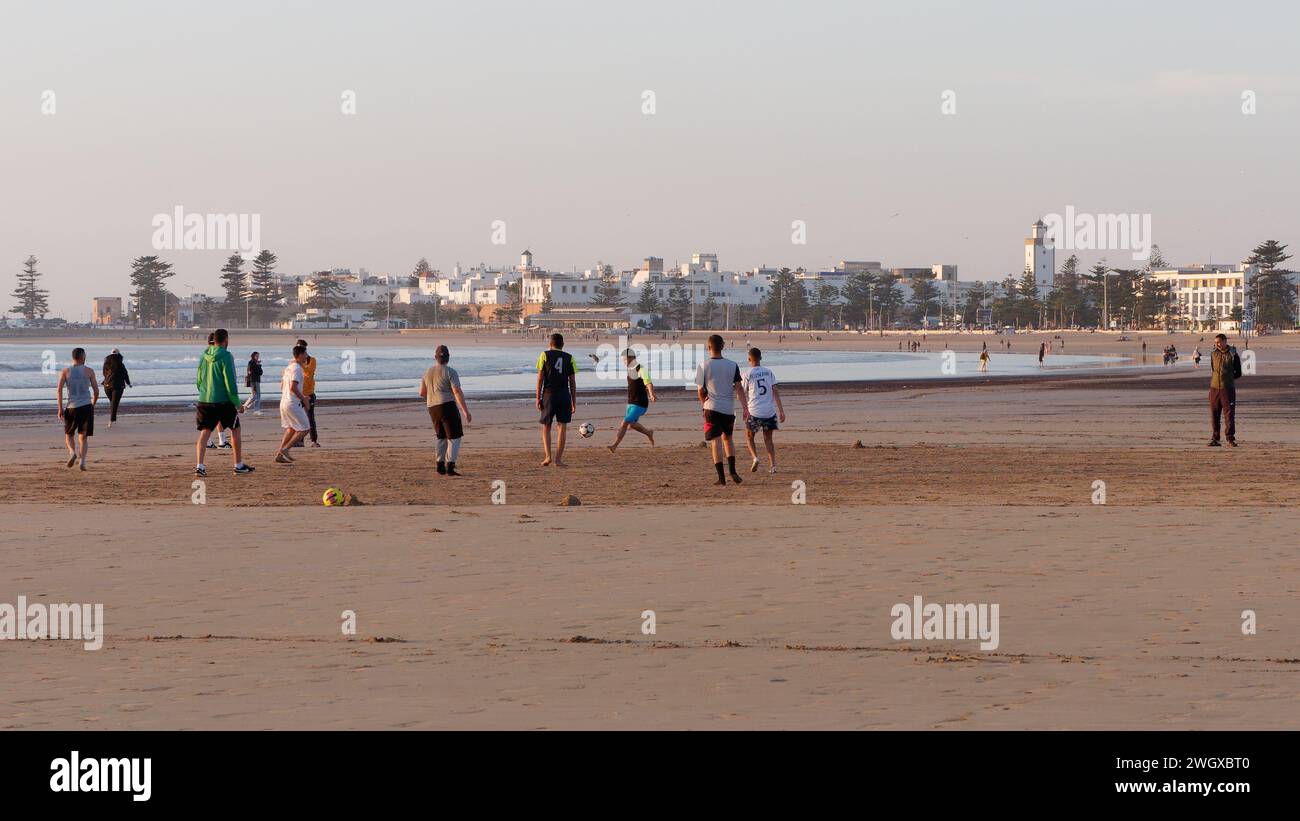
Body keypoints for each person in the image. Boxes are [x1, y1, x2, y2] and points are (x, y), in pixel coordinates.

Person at [195, 328, 253, 475]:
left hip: (204, 399)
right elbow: (230, 381)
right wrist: (237, 403)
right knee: (235, 430)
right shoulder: (227, 356)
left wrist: (203, 391)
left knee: (205, 432)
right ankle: (238, 464)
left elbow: (199, 379)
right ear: (226, 340)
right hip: (223, 401)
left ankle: (200, 467)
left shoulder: (204, 354)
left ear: (214, 340)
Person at [694, 334, 747, 486]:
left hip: (711, 408)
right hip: (728, 409)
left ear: (708, 347)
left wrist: (703, 403)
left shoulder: (703, 365)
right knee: (728, 438)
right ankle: (733, 471)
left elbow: (700, 391)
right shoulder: (732, 365)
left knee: (715, 441)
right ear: (723, 346)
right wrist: (745, 408)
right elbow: (739, 389)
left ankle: (721, 477)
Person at [420, 344, 472, 476]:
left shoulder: (427, 372)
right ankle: (450, 466)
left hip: (432, 407)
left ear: (435, 357)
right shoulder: (450, 372)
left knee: (441, 436)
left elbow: (422, 392)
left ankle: (439, 465)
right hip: (447, 405)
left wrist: (433, 397)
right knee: (454, 437)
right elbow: (457, 391)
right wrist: (465, 411)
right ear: (448, 357)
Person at [536, 333, 577, 467]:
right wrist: (573, 401)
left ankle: (548, 457)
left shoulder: (544, 355)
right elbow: (572, 381)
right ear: (562, 345)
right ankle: (558, 459)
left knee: (546, 427)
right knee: (562, 427)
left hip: (549, 395)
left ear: (550, 344)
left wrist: (537, 397)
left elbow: (540, 378)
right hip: (564, 395)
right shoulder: (569, 358)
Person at [741, 347, 784, 473]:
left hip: (754, 411)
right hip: (769, 412)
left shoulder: (747, 374)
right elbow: (775, 391)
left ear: (749, 359)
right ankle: (773, 465)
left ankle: (755, 458)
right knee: (768, 439)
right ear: (761, 358)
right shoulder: (769, 372)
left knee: (749, 437)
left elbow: (741, 393)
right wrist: (781, 410)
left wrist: (745, 409)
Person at [56, 347, 99, 470]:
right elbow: (96, 391)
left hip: (71, 406)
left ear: (73, 357)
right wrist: (93, 404)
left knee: (69, 434)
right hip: (86, 406)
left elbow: (59, 390)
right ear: (83, 357)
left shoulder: (65, 371)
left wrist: (60, 408)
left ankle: (72, 452)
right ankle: (82, 462)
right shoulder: (89, 371)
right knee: (83, 436)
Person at [607, 349, 655, 452]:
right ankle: (648, 433)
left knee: (624, 422)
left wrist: (651, 394)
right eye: (623, 360)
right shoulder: (630, 369)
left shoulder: (640, 369)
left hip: (640, 403)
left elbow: (649, 383)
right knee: (631, 424)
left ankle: (614, 445)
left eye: (625, 359)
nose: (624, 361)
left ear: (632, 358)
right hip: (631, 402)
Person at [274, 345, 312, 463]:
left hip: (284, 402)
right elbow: (293, 387)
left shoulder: (289, 367)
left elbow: (283, 386)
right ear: (300, 355)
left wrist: (300, 395)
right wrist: (304, 399)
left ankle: (279, 455)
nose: (307, 356)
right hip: (292, 403)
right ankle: (285, 449)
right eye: (305, 354)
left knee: (291, 429)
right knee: (305, 428)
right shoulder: (296, 368)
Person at [1208, 333, 1242, 447]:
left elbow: (1238, 372)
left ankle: (1230, 438)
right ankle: (1215, 439)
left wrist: (1228, 379)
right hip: (1214, 389)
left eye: (1218, 342)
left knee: (1229, 415)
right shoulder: (1213, 354)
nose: (1217, 344)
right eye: (1215, 342)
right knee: (1214, 414)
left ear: (1224, 341)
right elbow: (1213, 369)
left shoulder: (1233, 354)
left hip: (1227, 390)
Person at [297, 339, 319, 447]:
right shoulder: (293, 362)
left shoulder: (312, 360)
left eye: (302, 347)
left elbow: (308, 373)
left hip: (309, 393)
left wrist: (301, 365)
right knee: (299, 418)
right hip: (298, 393)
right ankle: (300, 441)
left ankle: (313, 440)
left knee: (310, 417)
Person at [100, 348, 131, 427]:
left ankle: (113, 419)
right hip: (118, 386)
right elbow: (125, 374)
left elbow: (104, 373)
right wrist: (128, 383)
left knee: (112, 402)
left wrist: (106, 381)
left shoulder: (106, 363)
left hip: (107, 385)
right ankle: (112, 420)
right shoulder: (120, 364)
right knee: (114, 403)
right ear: (118, 354)